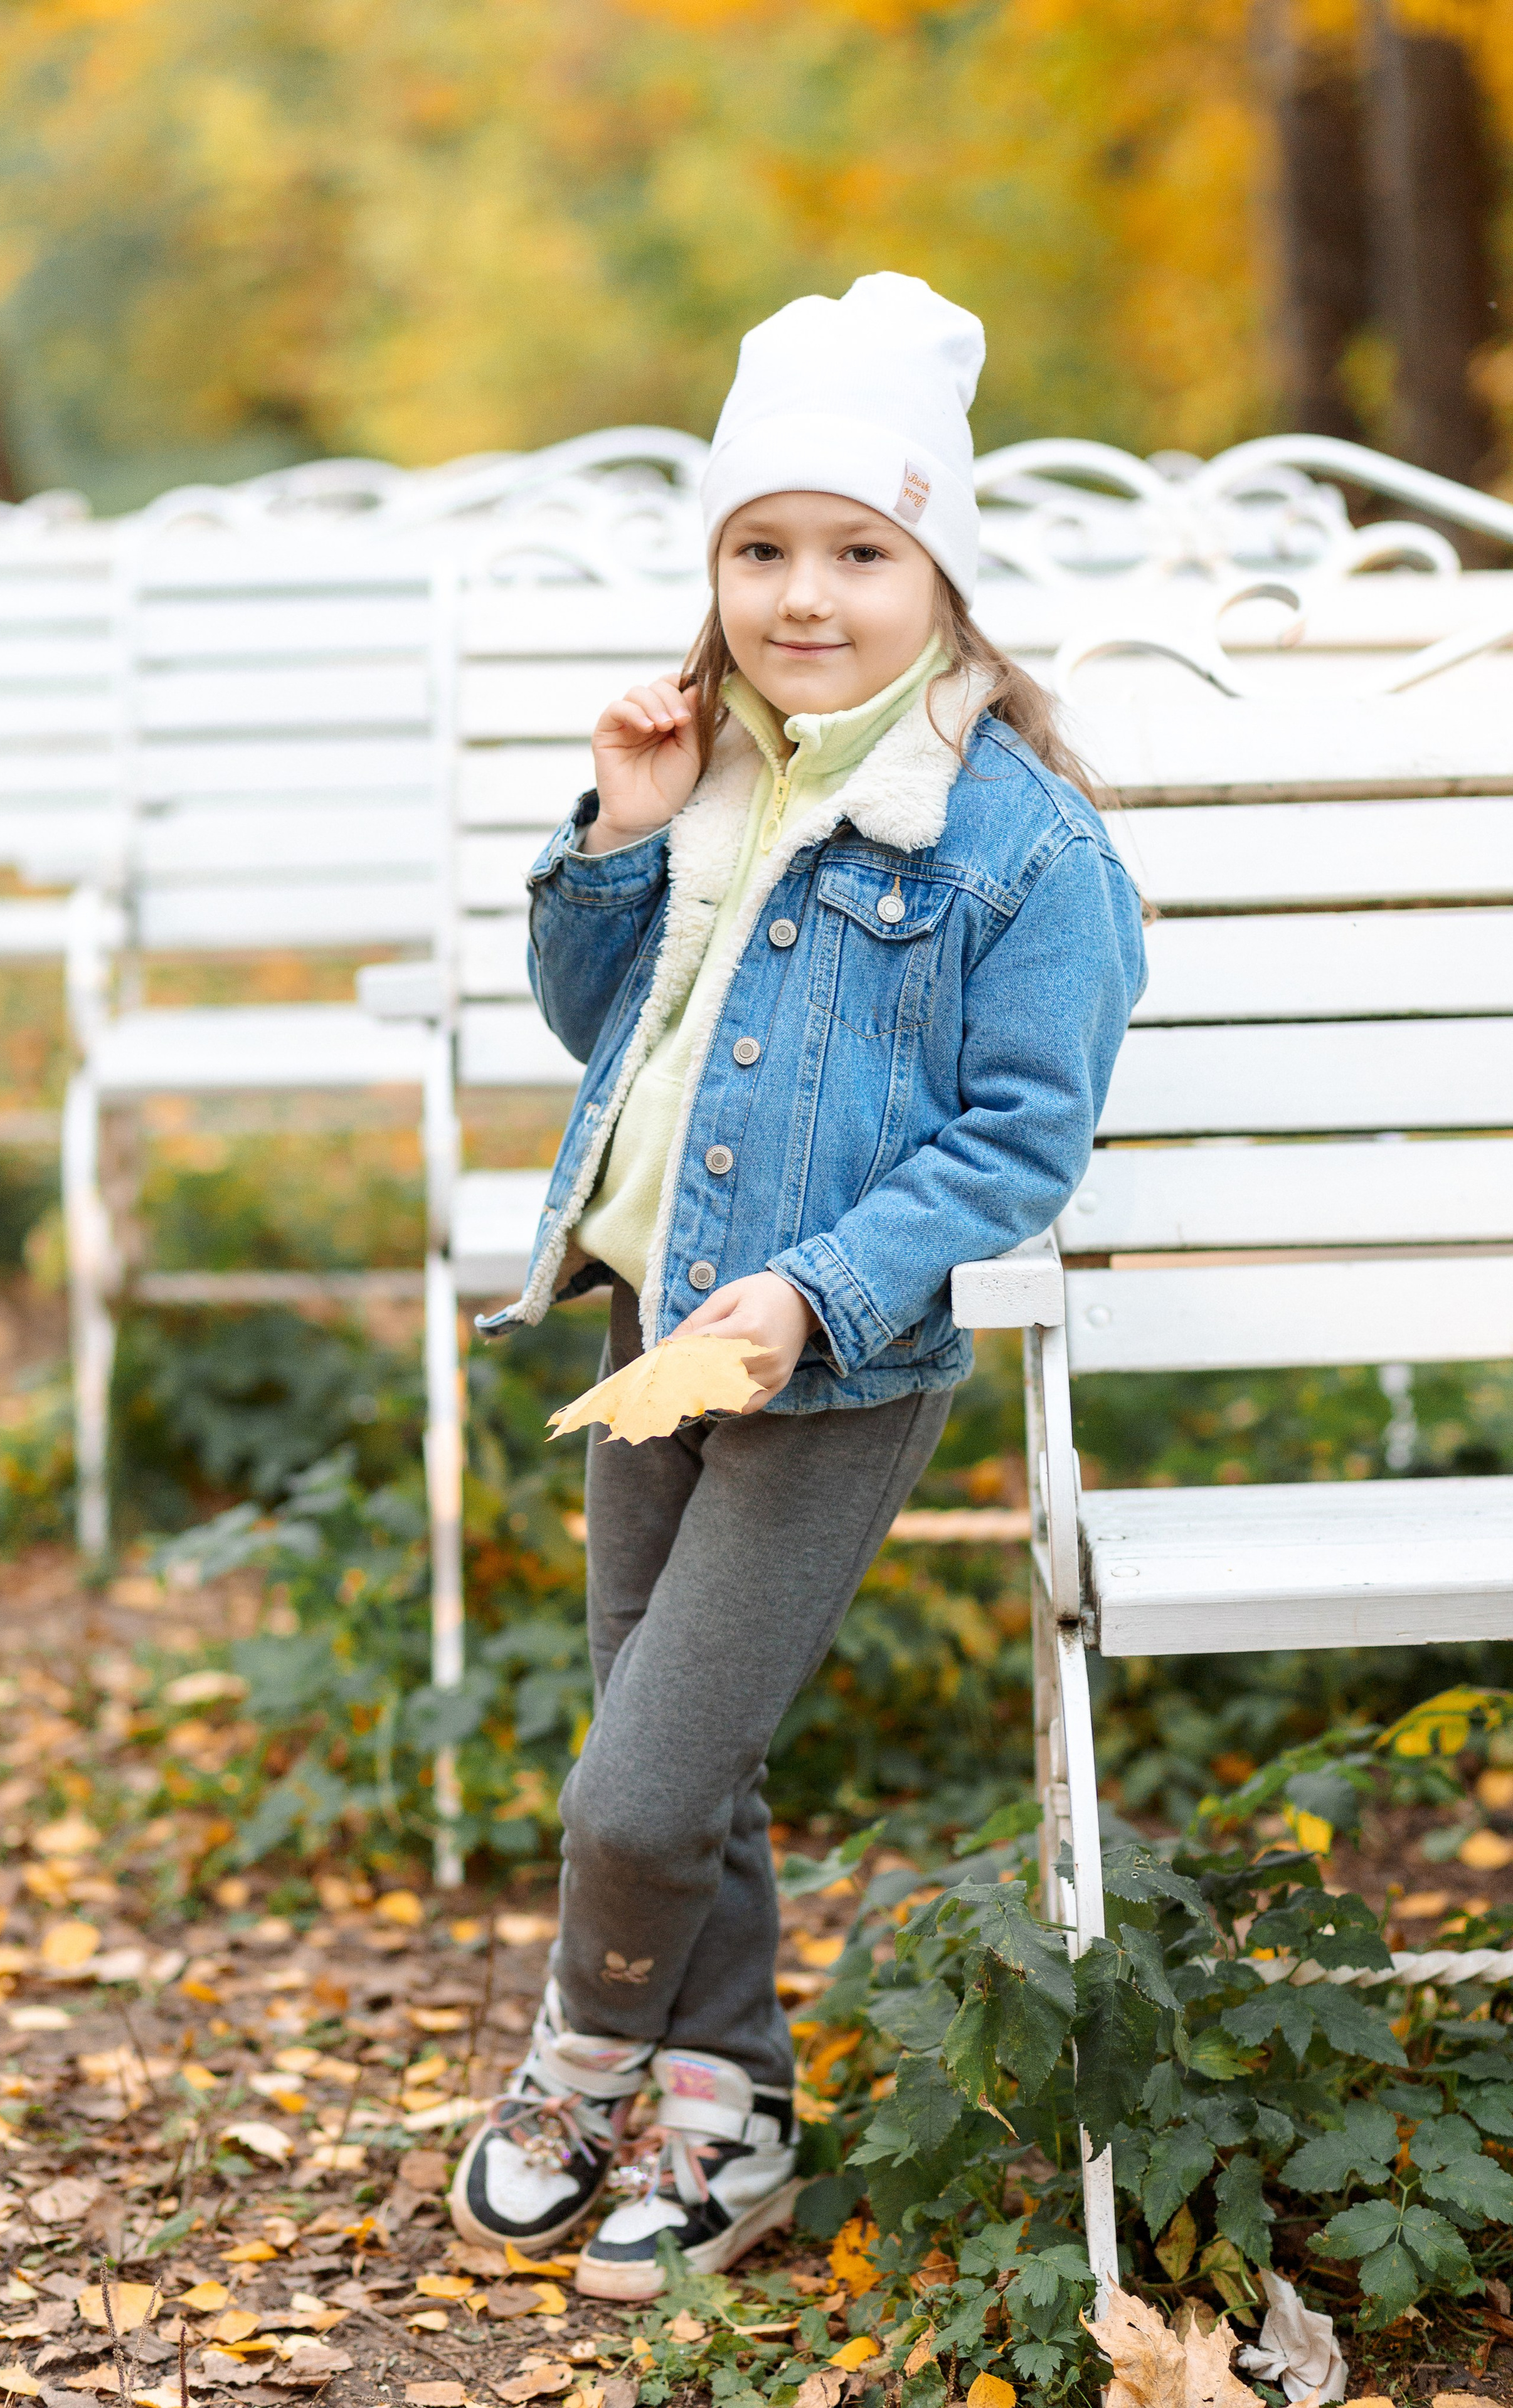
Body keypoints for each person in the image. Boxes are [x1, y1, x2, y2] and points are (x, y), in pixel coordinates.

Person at [453, 273, 1146, 2298]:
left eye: (860, 549)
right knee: (683, 1749)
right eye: (762, 548)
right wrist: (621, 837)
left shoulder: (1016, 842)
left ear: (943, 571)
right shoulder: (720, 766)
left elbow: (1020, 1138)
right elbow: (608, 1031)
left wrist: (812, 1293)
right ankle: (725, 2103)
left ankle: (586, 2051)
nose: (804, 594)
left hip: (823, 1369)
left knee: (638, 1785)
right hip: (645, 1325)